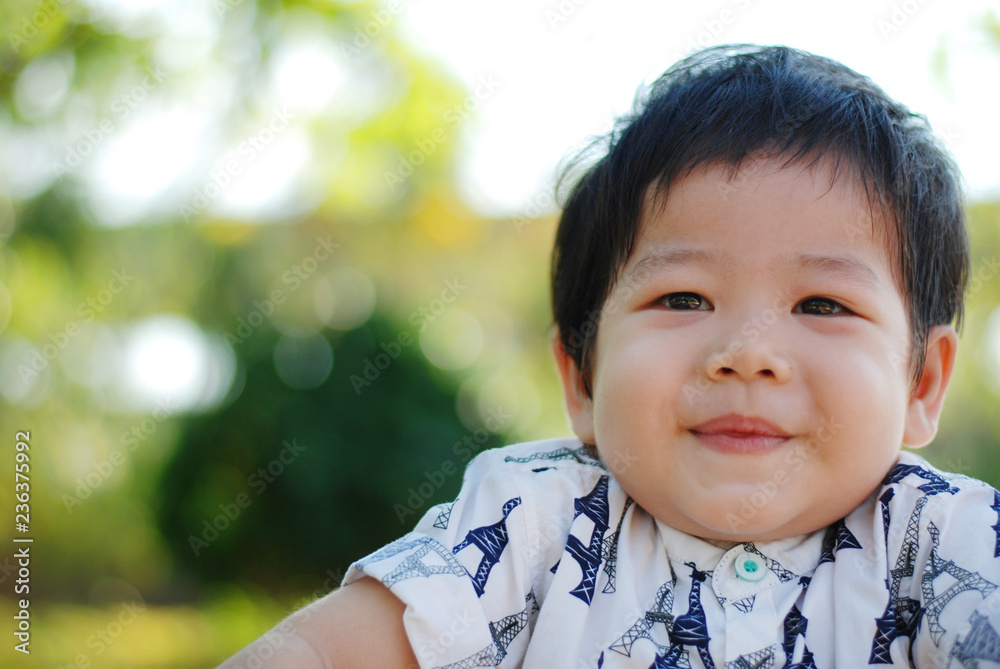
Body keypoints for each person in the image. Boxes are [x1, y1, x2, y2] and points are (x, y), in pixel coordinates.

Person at [218, 44, 1000, 668]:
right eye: (684, 299)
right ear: (583, 377)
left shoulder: (948, 542)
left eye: (822, 305)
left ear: (922, 381)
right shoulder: (529, 522)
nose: (748, 355)